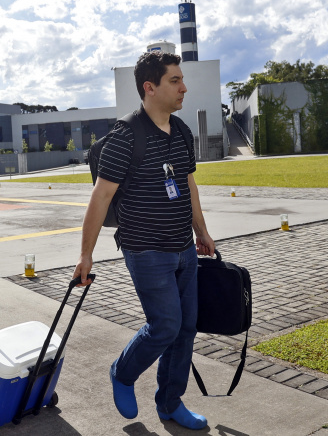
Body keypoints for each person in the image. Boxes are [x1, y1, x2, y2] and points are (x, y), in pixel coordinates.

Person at [73, 51, 215, 430]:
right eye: (174, 81)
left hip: (183, 247)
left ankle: (170, 403)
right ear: (149, 88)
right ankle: (122, 372)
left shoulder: (182, 131)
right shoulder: (125, 138)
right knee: (166, 325)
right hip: (146, 249)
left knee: (186, 327)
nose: (184, 87)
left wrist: (201, 232)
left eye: (182, 79)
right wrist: (85, 255)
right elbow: (100, 197)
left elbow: (188, 184)